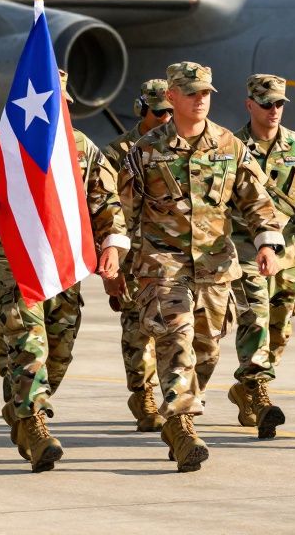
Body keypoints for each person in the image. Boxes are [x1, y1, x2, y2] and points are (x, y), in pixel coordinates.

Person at [0, 70, 129, 472]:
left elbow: (107, 204)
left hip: (65, 264)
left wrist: (113, 248)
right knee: (28, 345)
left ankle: (20, 407)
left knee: (60, 349)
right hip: (15, 263)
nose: (56, 116)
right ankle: (35, 425)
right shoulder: (2, 145)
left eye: (62, 108)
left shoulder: (82, 149)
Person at [118, 61, 284, 472]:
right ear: (171, 97)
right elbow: (123, 211)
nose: (201, 100)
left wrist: (266, 243)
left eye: (206, 93)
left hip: (214, 267)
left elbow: (256, 200)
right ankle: (182, 426)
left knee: (206, 351)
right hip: (162, 266)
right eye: (192, 93)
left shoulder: (229, 146)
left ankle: (182, 413)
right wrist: (117, 260)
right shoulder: (145, 150)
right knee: (176, 342)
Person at [226, 74, 295, 439]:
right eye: (266, 103)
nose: (274, 110)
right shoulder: (231, 147)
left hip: (287, 255)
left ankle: (245, 390)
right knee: (256, 318)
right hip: (244, 252)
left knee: (280, 329)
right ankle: (261, 392)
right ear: (250, 104)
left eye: (280, 103)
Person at [101, 78, 172, 432]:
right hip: (132, 256)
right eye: (158, 112)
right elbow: (107, 208)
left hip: (170, 256)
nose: (165, 118)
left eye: (170, 111)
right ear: (142, 110)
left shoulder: (180, 147)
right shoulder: (118, 152)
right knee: (137, 330)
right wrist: (110, 265)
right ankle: (142, 394)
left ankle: (174, 396)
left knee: (173, 329)